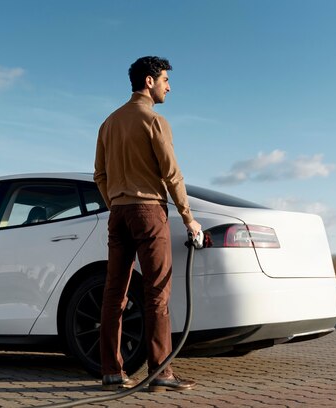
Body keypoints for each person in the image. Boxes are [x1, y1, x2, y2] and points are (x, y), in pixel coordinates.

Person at [94, 56, 201, 392]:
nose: (169, 86)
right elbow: (171, 173)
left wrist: (115, 203)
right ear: (149, 80)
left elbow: (100, 175)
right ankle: (160, 374)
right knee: (156, 293)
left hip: (119, 213)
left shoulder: (109, 123)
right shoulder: (155, 121)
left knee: (114, 293)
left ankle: (112, 372)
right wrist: (189, 218)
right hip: (148, 212)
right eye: (166, 80)